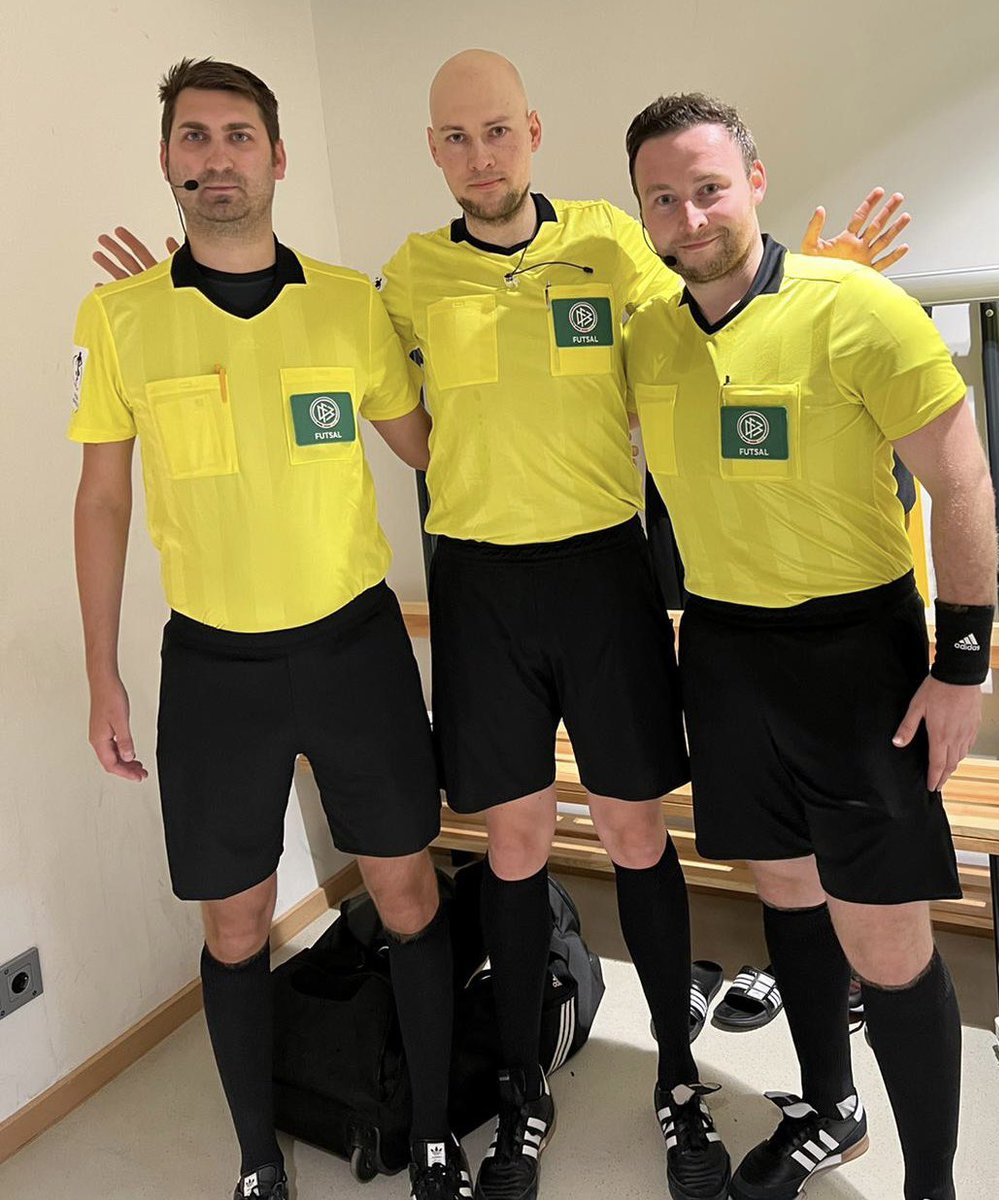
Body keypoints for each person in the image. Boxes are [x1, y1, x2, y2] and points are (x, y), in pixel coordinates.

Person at [92, 51, 908, 1200]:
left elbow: (708, 312)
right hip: (480, 586)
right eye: (455, 137)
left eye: (496, 131)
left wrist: (810, 289)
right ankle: (521, 1090)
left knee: (633, 834)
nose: (479, 155)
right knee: (514, 847)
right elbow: (307, 349)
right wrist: (166, 290)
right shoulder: (404, 280)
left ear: (531, 131)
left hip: (604, 577)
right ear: (434, 151)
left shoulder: (611, 242)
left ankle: (677, 1079)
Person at [70, 58, 470, 1200]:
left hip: (355, 649)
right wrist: (102, 676)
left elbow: (431, 448)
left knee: (406, 894)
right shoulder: (121, 318)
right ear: (166, 159)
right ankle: (257, 1159)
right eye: (193, 137)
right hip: (215, 668)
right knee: (237, 924)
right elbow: (103, 503)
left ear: (277, 157)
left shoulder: (348, 304)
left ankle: (434, 1134)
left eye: (238, 136)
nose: (217, 158)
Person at [624, 92, 998, 1200]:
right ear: (640, 213)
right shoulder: (648, 337)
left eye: (708, 187)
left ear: (754, 180)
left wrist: (960, 666)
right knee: (786, 891)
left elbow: (960, 481)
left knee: (885, 943)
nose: (690, 216)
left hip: (856, 659)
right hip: (724, 654)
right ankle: (831, 1111)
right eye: (662, 198)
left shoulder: (858, 307)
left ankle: (930, 1185)